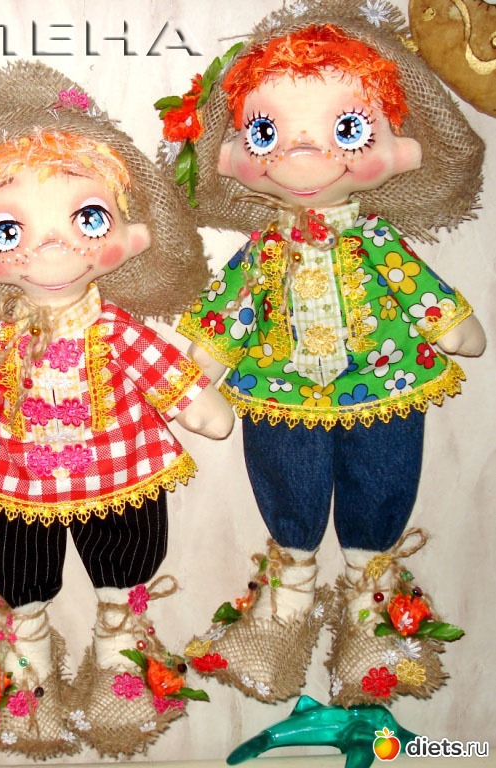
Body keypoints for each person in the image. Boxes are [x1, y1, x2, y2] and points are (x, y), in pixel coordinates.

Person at [0, 60, 233, 759]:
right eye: (7, 232)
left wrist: (197, 407)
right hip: (22, 483)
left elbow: (173, 384)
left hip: (123, 471)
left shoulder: (118, 330)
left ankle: (120, 656)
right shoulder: (0, 341)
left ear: (129, 237)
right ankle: (24, 666)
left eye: (87, 218)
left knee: (127, 554)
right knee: (20, 569)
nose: (51, 246)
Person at [162, 0, 485, 706]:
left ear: (397, 150)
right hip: (278, 392)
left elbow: (418, 290)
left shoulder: (377, 242)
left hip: (385, 386)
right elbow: (229, 313)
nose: (301, 157)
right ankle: (284, 611)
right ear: (234, 157)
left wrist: (449, 326)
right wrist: (197, 373)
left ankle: (372, 615)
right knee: (287, 486)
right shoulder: (260, 253)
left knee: (381, 482)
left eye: (345, 131)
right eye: (267, 133)